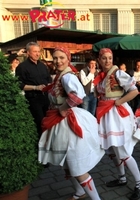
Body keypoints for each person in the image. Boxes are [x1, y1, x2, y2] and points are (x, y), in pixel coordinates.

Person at [38, 47, 104, 200]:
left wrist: (62, 108)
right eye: (55, 58)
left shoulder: (67, 77)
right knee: (69, 162)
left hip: (67, 122)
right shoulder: (61, 75)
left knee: (77, 165)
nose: (58, 61)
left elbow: (77, 96)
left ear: (68, 59)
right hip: (62, 122)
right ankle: (80, 192)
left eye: (61, 57)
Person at [94, 48, 140, 200]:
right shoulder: (101, 76)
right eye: (104, 58)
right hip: (105, 114)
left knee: (122, 150)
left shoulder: (118, 73)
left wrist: (118, 102)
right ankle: (122, 177)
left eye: (110, 58)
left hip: (116, 114)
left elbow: (134, 91)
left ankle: (139, 183)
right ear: (99, 60)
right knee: (114, 149)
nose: (107, 61)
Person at [15, 42, 52, 137]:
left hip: (46, 98)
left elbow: (49, 79)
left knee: (49, 121)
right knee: (40, 124)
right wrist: (35, 87)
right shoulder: (22, 67)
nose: (37, 54)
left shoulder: (43, 66)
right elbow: (19, 85)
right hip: (33, 99)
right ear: (28, 53)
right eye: (35, 51)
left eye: (39, 51)